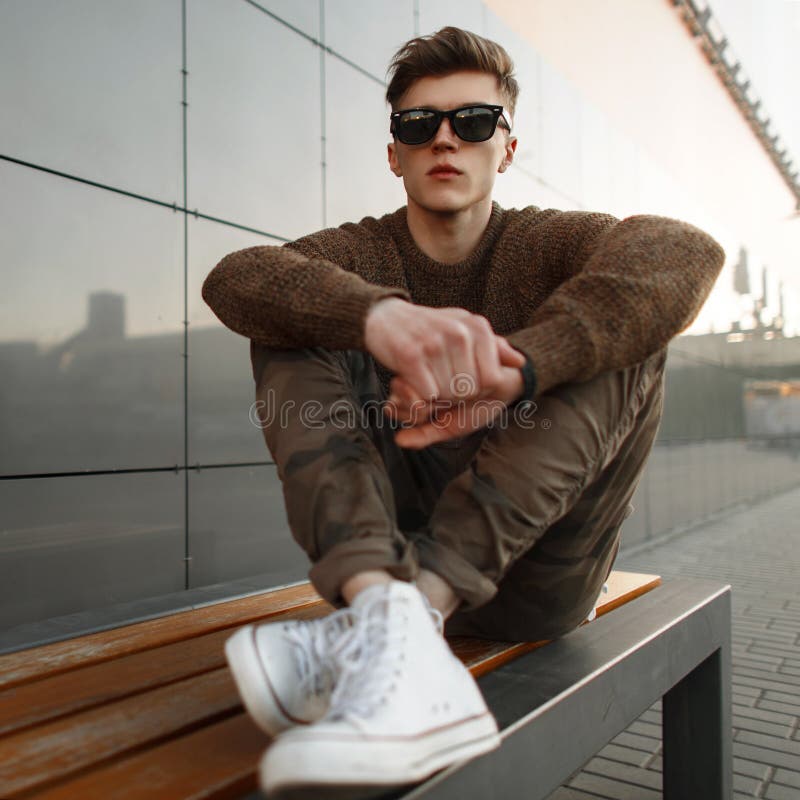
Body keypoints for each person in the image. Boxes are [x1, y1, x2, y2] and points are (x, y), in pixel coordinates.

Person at [202, 26, 724, 797]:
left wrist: (522, 366)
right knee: (294, 315)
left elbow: (685, 251)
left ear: (506, 148)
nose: (445, 139)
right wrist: (379, 317)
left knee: (627, 330)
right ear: (394, 154)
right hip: (388, 558)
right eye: (419, 126)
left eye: (473, 122)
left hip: (542, 577)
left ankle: (412, 618)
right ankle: (390, 618)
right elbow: (236, 276)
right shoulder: (361, 251)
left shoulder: (549, 244)